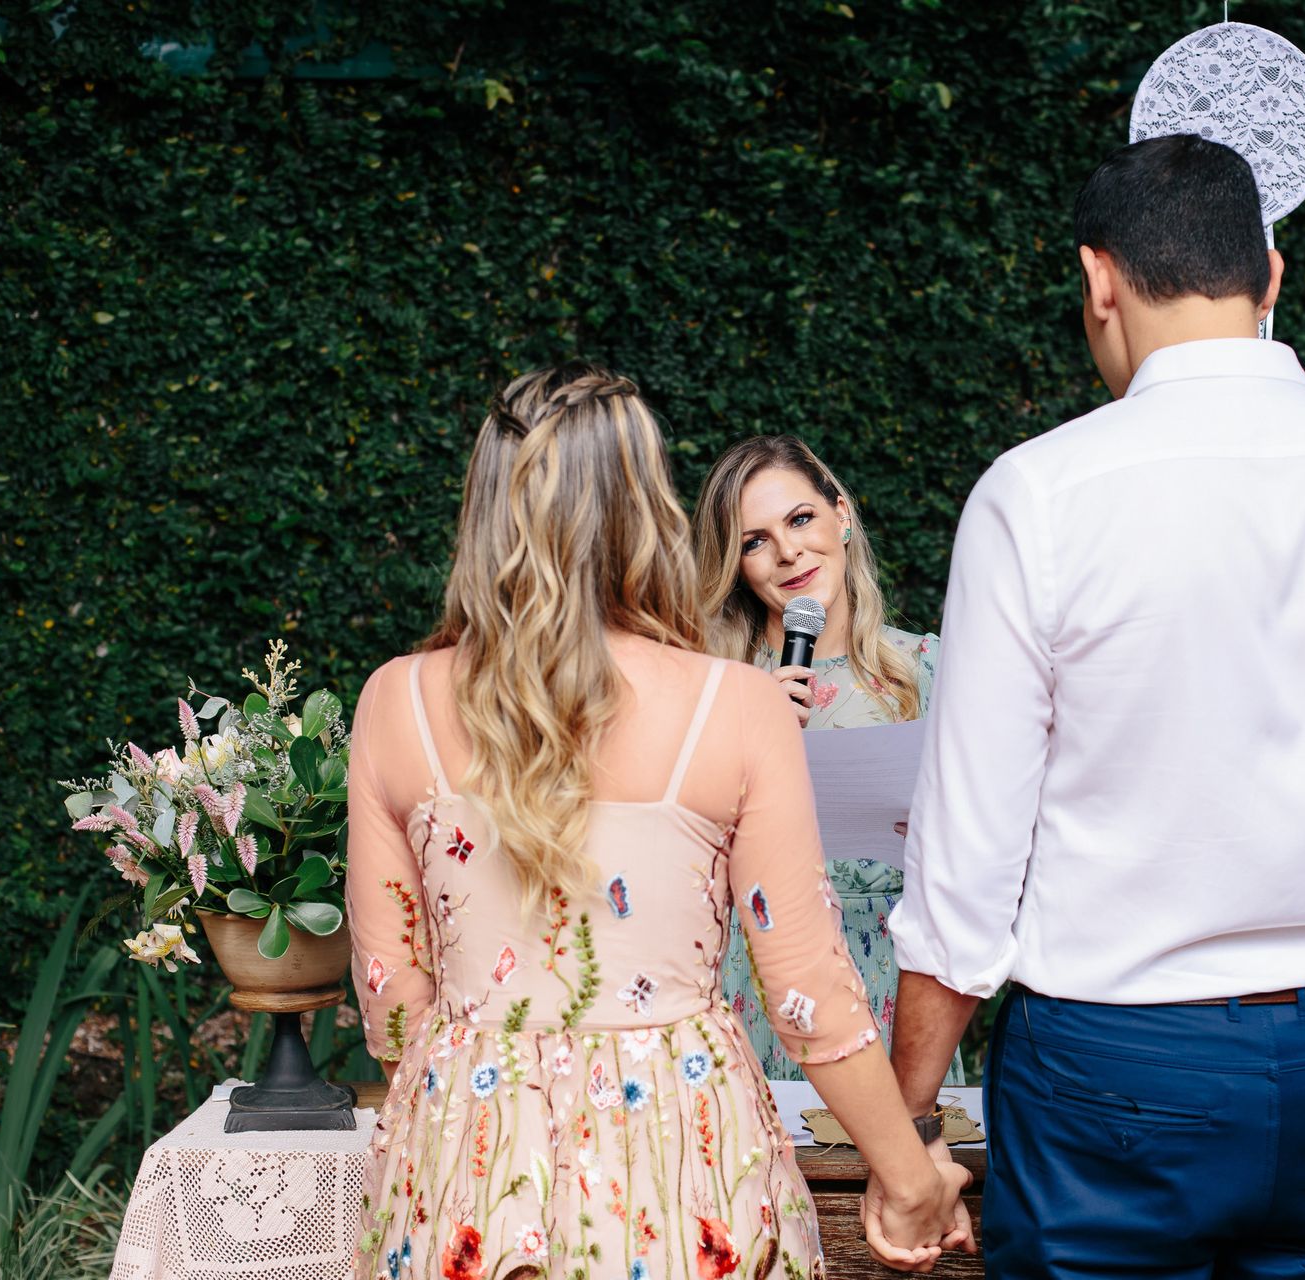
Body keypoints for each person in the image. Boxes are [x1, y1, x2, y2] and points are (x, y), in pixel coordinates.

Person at [876, 135, 1305, 1278]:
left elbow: (964, 885)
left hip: (1108, 1066)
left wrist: (907, 1131)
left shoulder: (1039, 497)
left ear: (1099, 280)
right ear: (1271, 273)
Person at [346, 364, 969, 1280]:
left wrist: (466, 1111)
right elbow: (805, 992)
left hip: (461, 1174)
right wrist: (910, 1176)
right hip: (686, 1166)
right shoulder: (737, 705)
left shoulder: (395, 701)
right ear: (646, 504)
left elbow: (391, 987)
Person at [692, 436, 964, 1088]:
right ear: (734, 564)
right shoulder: (706, 685)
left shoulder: (932, 670)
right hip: (751, 985)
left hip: (894, 982)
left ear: (841, 514)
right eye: (754, 541)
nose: (788, 552)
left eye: (801, 519)